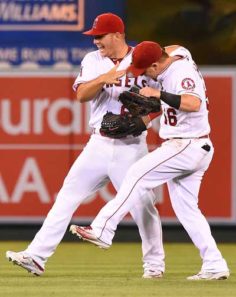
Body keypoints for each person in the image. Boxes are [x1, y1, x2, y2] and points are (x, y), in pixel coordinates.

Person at [6, 13, 165, 279]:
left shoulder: (143, 56)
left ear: (117, 34)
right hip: (99, 142)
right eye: (94, 37)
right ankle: (36, 256)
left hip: (131, 146)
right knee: (67, 196)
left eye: (100, 36)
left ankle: (154, 266)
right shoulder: (93, 61)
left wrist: (145, 120)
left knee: (143, 205)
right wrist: (105, 78)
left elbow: (163, 100)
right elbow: (81, 95)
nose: (96, 42)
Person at [70, 41, 230, 280]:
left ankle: (102, 229)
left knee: (136, 174)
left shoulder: (180, 71)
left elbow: (192, 103)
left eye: (146, 69)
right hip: (193, 145)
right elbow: (177, 47)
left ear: (156, 63)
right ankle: (215, 264)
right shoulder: (174, 55)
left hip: (186, 144)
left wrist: (159, 94)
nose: (144, 75)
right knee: (187, 211)